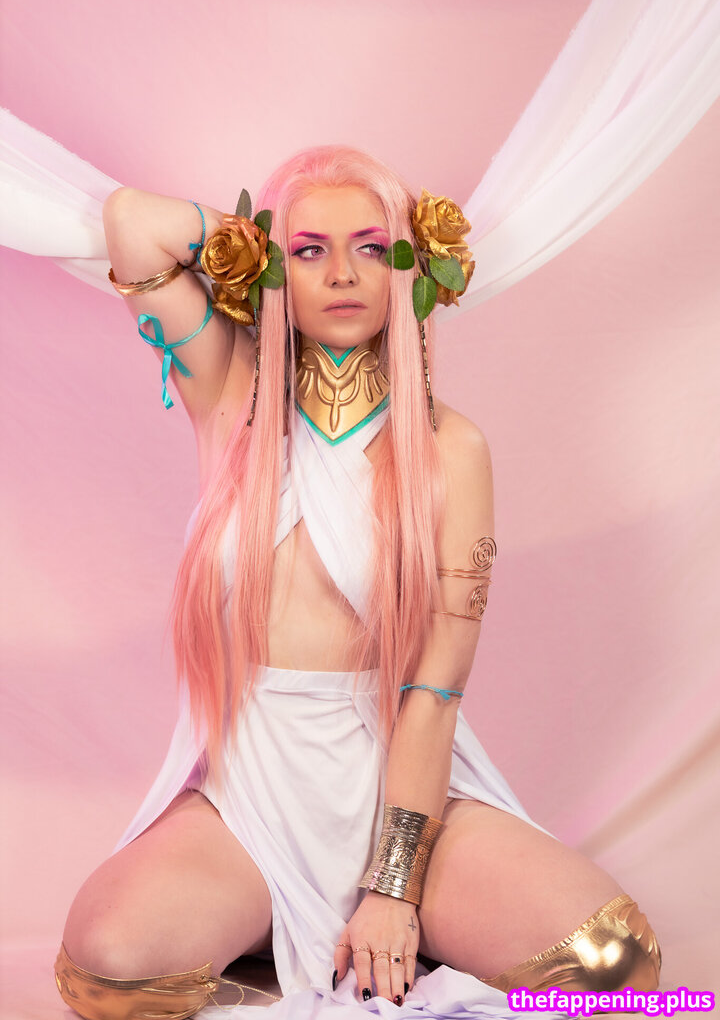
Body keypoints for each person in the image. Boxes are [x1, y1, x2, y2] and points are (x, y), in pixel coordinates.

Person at [53, 145, 661, 1020]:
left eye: (372, 248)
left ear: (409, 269)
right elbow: (131, 223)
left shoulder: (453, 447)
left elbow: (435, 691)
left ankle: (391, 924)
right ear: (274, 268)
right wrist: (251, 247)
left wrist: (393, 885)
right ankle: (273, 920)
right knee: (107, 970)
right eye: (310, 251)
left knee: (616, 967)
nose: (342, 274)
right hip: (249, 795)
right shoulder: (230, 396)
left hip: (403, 779)